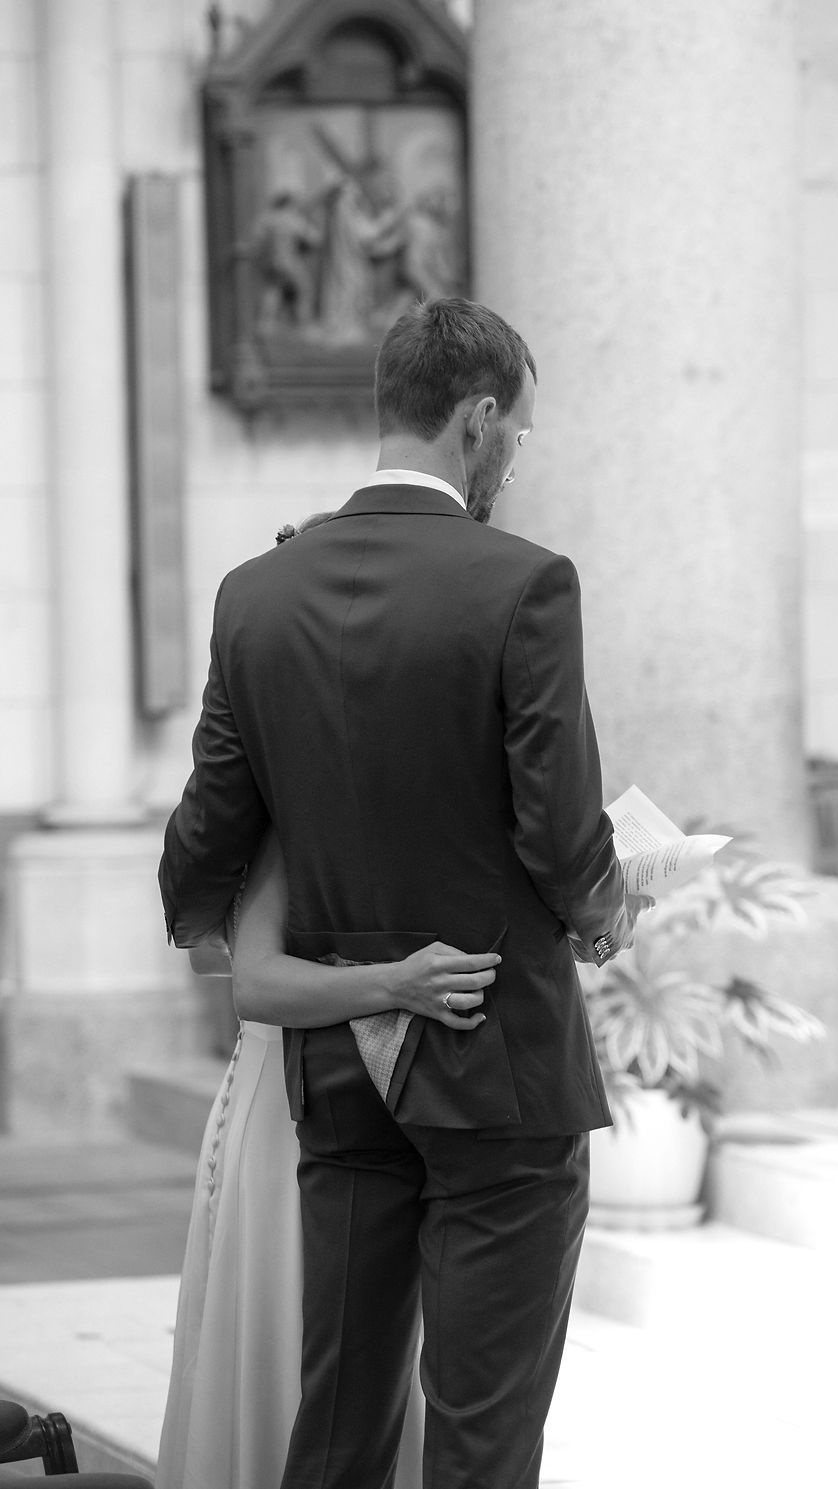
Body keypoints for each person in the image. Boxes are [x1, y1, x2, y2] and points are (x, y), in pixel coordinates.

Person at [159, 296, 634, 1489]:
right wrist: (606, 903)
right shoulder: (523, 585)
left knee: (340, 1414)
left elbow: (212, 825)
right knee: (479, 1428)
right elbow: (560, 829)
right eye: (516, 434)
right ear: (477, 420)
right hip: (493, 1054)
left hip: (340, 1064)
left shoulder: (253, 594)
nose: (513, 460)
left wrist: (206, 912)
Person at [156, 828, 496, 1489]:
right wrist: (394, 980)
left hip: (380, 1097)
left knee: (378, 1353)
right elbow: (236, 973)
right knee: (294, 1342)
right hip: (293, 1101)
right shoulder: (286, 797)